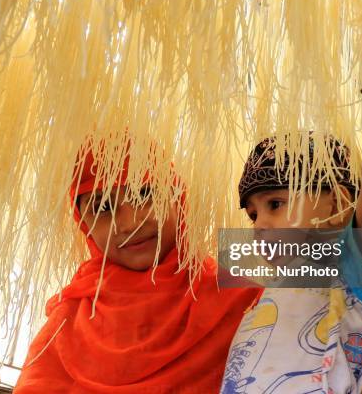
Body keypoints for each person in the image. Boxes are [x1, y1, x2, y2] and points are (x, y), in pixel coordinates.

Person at [220, 15, 362, 394]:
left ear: (339, 201)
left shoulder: (350, 272)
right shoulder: (271, 295)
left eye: (276, 202)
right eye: (253, 213)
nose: (259, 223)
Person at [13, 147, 261, 393]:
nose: (130, 222)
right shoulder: (70, 322)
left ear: (178, 197)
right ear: (84, 225)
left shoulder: (244, 295)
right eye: (103, 208)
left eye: (144, 193)